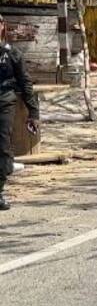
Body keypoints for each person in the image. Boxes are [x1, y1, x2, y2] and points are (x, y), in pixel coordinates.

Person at [0, 15, 39, 210]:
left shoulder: (12, 54)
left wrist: (33, 113)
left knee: (2, 146)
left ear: (2, 26)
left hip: (3, 104)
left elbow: (25, 83)